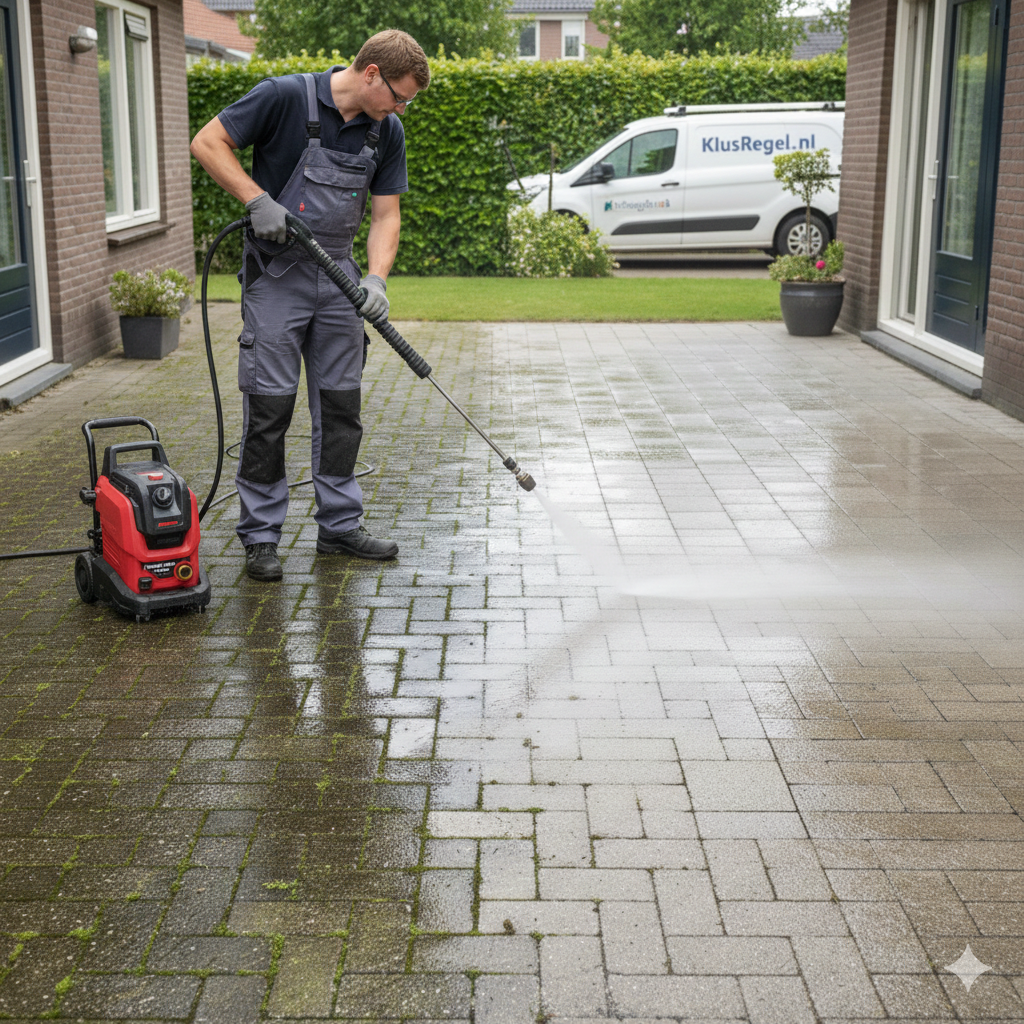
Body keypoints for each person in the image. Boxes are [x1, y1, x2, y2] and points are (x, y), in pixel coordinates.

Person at [190, 30, 429, 582]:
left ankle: (340, 526)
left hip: (340, 279)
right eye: (399, 95)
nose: (401, 108)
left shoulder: (384, 132)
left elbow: (386, 215)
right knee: (270, 408)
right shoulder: (282, 96)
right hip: (277, 277)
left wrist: (376, 279)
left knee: (342, 406)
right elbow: (207, 142)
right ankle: (261, 535)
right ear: (371, 73)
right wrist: (256, 199)